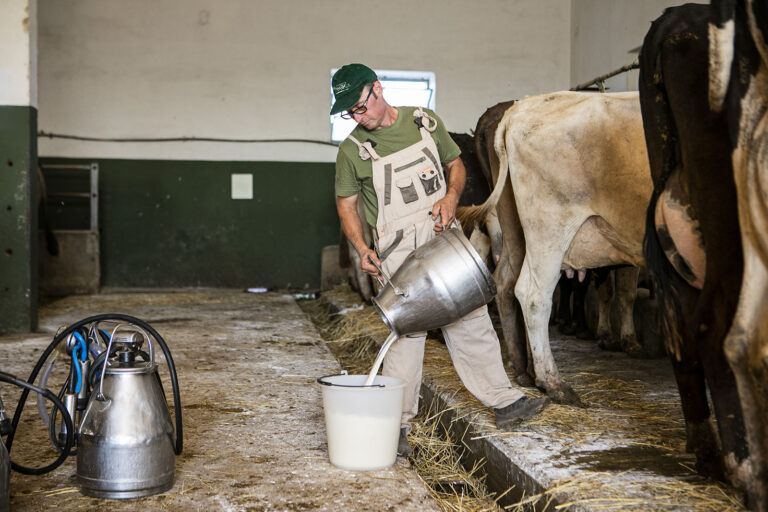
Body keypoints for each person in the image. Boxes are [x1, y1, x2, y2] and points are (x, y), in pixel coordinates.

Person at [331, 63, 549, 456]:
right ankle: (395, 427)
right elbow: (346, 205)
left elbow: (456, 165)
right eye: (350, 113)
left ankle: (505, 402)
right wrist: (362, 248)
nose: (356, 117)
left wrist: (452, 197)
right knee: (406, 335)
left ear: (377, 90)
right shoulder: (352, 150)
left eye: (360, 107)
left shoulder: (423, 122)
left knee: (470, 315)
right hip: (396, 250)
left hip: (440, 235)